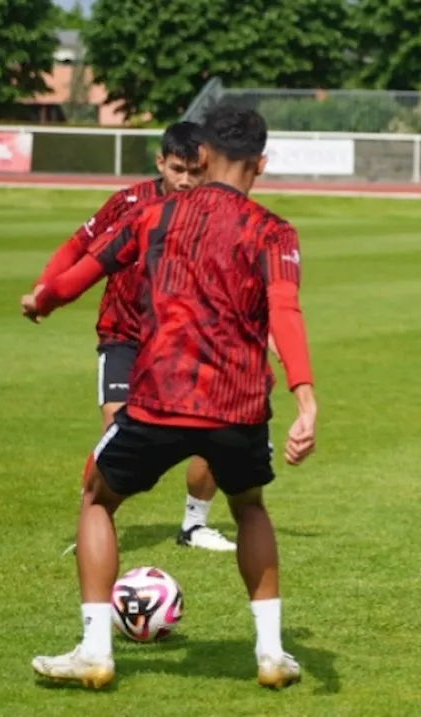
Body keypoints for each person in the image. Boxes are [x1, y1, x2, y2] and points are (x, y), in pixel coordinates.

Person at [22, 100, 317, 690]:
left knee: (98, 499)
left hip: (158, 397)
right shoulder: (274, 230)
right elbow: (285, 311)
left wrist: (44, 300)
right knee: (250, 506)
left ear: (201, 154)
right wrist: (305, 399)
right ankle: (269, 654)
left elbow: (86, 271)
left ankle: (96, 651)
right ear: (261, 162)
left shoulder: (153, 214)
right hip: (237, 406)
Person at [32, 121, 237, 554]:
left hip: (183, 343)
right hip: (124, 335)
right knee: (116, 431)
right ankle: (94, 520)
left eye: (195, 171)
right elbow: (77, 248)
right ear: (161, 162)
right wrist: (43, 287)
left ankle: (194, 526)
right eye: (177, 168)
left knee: (216, 427)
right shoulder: (129, 203)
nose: (185, 180)